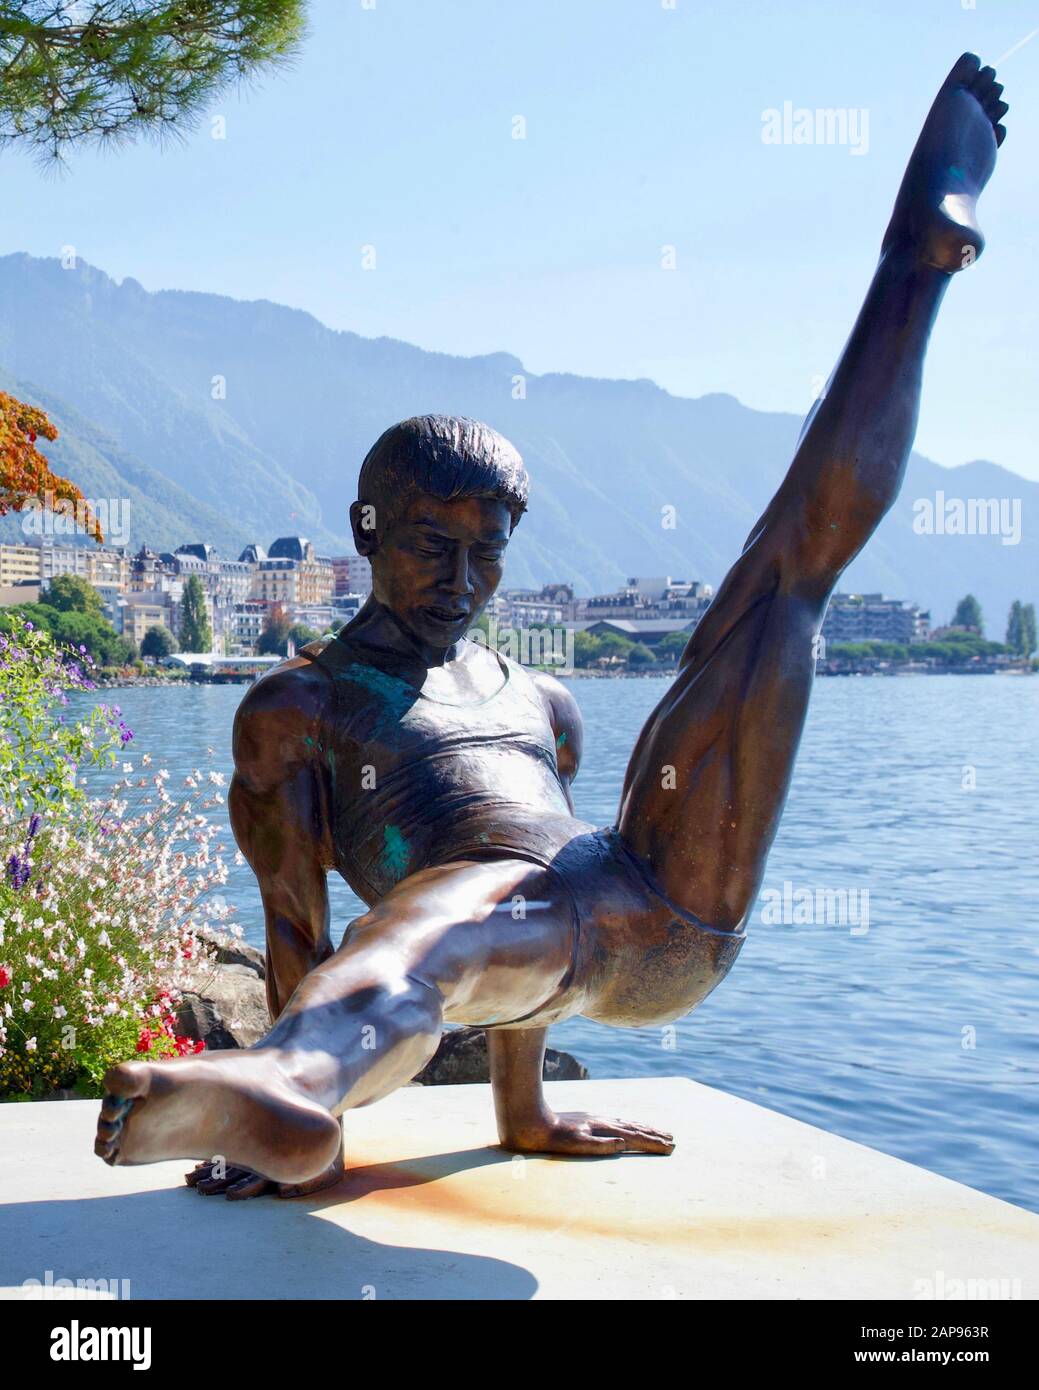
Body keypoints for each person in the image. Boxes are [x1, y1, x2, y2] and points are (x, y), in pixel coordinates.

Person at [96, 54, 1008, 1199]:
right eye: (433, 545)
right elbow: (297, 926)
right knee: (450, 915)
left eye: (489, 551)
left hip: (659, 907)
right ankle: (287, 1087)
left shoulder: (541, 704)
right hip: (500, 942)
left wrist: (524, 1115)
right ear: (367, 533)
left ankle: (912, 268)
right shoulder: (298, 709)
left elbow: (548, 884)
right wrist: (286, 1095)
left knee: (784, 583)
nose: (464, 578)